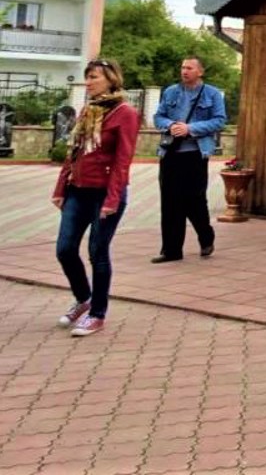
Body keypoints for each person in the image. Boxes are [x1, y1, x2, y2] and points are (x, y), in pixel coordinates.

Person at [52, 58, 138, 337]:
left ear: (111, 80)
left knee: (97, 253)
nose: (88, 82)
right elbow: (74, 151)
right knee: (65, 249)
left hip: (105, 194)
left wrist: (113, 199)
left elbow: (123, 159)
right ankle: (83, 298)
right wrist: (60, 188)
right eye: (87, 77)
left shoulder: (124, 113)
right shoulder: (88, 110)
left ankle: (97, 314)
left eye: (94, 77)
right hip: (77, 191)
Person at [152, 56, 227, 263]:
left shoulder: (212, 94)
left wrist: (190, 128)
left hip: (195, 153)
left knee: (194, 200)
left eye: (189, 68)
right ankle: (171, 250)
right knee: (169, 201)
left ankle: (206, 236)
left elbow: (220, 121)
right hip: (170, 153)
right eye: (183, 67)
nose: (184, 71)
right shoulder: (170, 92)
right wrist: (171, 125)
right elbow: (158, 117)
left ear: (200, 72)